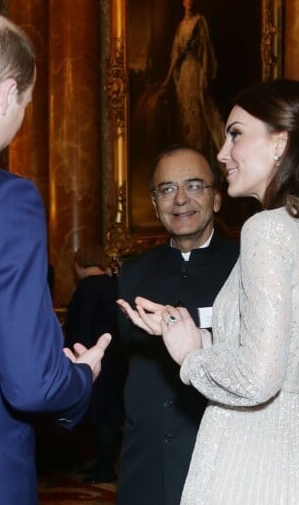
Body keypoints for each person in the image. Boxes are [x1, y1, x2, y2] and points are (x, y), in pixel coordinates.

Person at [119, 79, 299, 503]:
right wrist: (189, 334)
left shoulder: (266, 229)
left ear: (279, 143)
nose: (222, 152)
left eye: (235, 134)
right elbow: (276, 355)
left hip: (248, 447)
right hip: (293, 441)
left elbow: (257, 381)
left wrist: (191, 356)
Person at [0, 12, 111, 505]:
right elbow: (31, 383)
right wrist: (80, 377)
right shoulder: (1, 198)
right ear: (7, 94)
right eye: (27, 105)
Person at [116, 145, 239, 505]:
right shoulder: (133, 272)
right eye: (167, 189)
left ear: (216, 198)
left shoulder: (246, 264)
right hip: (146, 458)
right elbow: (129, 361)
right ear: (155, 204)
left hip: (218, 455)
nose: (180, 199)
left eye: (194, 185)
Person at [64, 243, 125, 484]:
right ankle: (104, 463)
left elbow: (80, 326)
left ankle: (104, 468)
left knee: (101, 416)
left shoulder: (86, 287)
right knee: (108, 414)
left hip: (94, 358)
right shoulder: (115, 284)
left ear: (78, 265)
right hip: (116, 356)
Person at [161, 0, 225, 156]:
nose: (190, 1)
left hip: (196, 72)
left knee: (198, 116)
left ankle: (201, 156)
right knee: (184, 118)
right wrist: (167, 79)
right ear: (183, 1)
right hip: (183, 78)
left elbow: (205, 50)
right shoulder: (180, 27)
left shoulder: (200, 22)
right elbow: (175, 55)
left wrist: (204, 75)